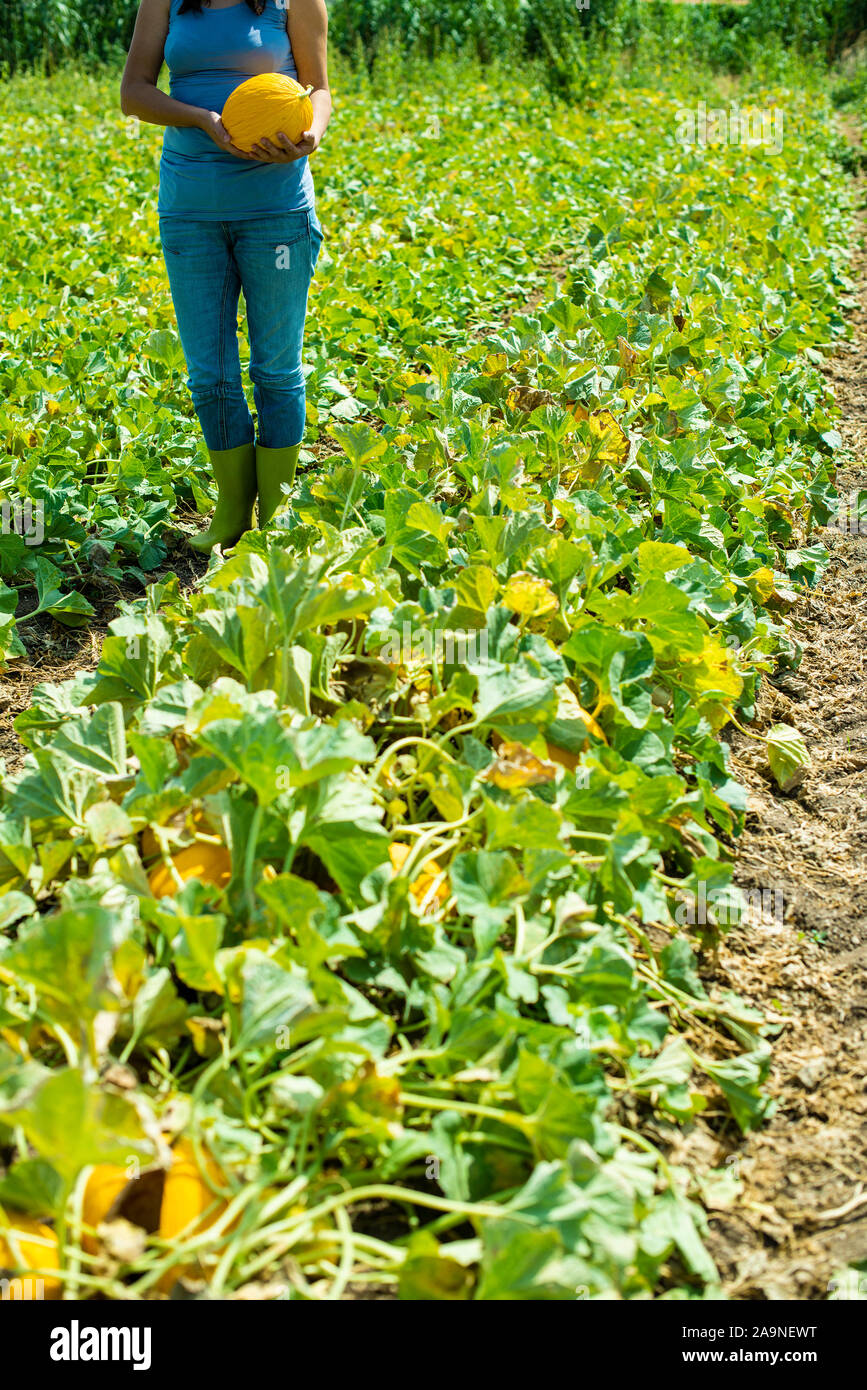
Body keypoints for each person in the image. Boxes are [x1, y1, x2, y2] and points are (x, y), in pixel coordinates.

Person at [120, 0, 331, 551]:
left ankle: (278, 515)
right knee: (209, 372)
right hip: (190, 208)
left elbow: (319, 88)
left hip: (276, 208)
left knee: (277, 367)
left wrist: (314, 134)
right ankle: (232, 511)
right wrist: (201, 119)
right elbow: (134, 92)